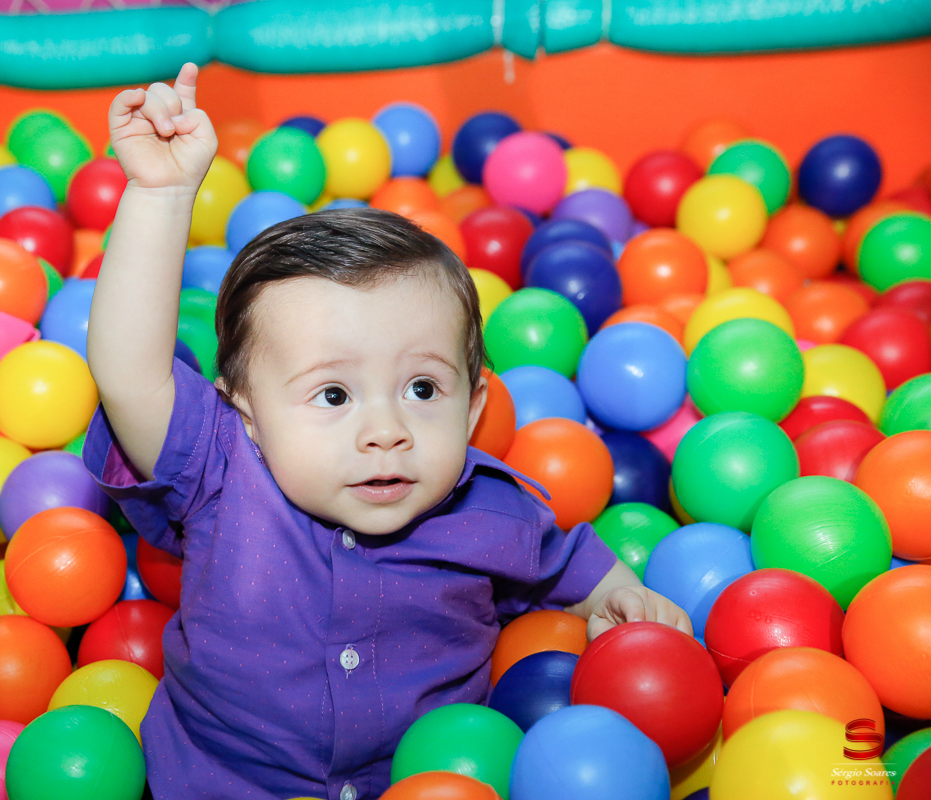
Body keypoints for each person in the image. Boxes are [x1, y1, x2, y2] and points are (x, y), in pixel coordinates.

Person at [85, 63, 692, 800]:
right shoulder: (220, 470)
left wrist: (623, 603)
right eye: (334, 394)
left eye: (423, 389)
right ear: (245, 411)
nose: (386, 430)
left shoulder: (493, 511)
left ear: (472, 411)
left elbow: (574, 569)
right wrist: (161, 192)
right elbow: (128, 371)